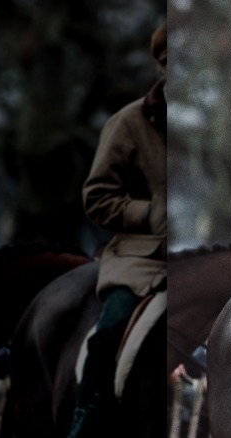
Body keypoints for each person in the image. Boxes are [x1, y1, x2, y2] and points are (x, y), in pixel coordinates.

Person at [68, 22, 167, 438]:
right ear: (162, 66)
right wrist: (148, 214)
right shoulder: (126, 124)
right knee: (112, 327)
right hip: (138, 258)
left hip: (189, 255)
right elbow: (97, 197)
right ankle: (86, 420)